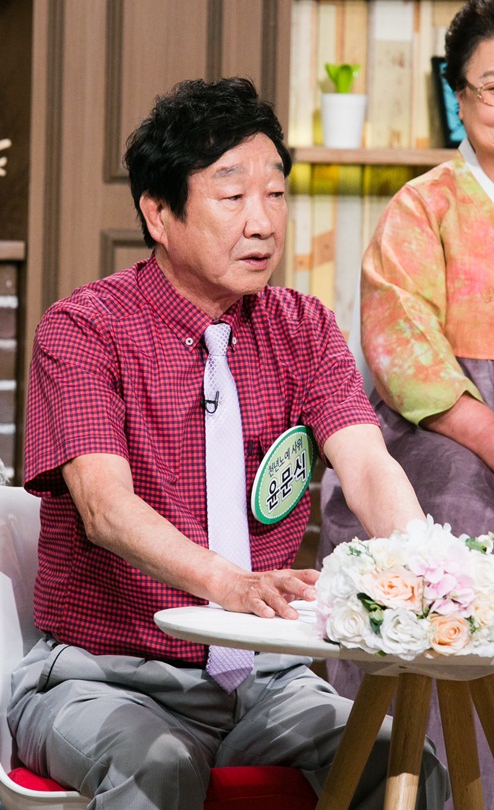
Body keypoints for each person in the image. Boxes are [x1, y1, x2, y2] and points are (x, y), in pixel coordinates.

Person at [7, 77, 448, 810]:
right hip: (105, 675)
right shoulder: (84, 328)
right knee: (161, 767)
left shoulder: (303, 326)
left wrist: (427, 570)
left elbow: (368, 464)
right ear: (159, 213)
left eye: (275, 194)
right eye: (233, 195)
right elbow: (105, 509)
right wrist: (231, 584)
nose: (263, 222)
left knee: (407, 766)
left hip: (266, 680)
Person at [319, 1, 494, 806]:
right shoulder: (423, 207)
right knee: (459, 509)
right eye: (493, 85)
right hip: (449, 423)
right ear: (459, 96)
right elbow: (404, 350)